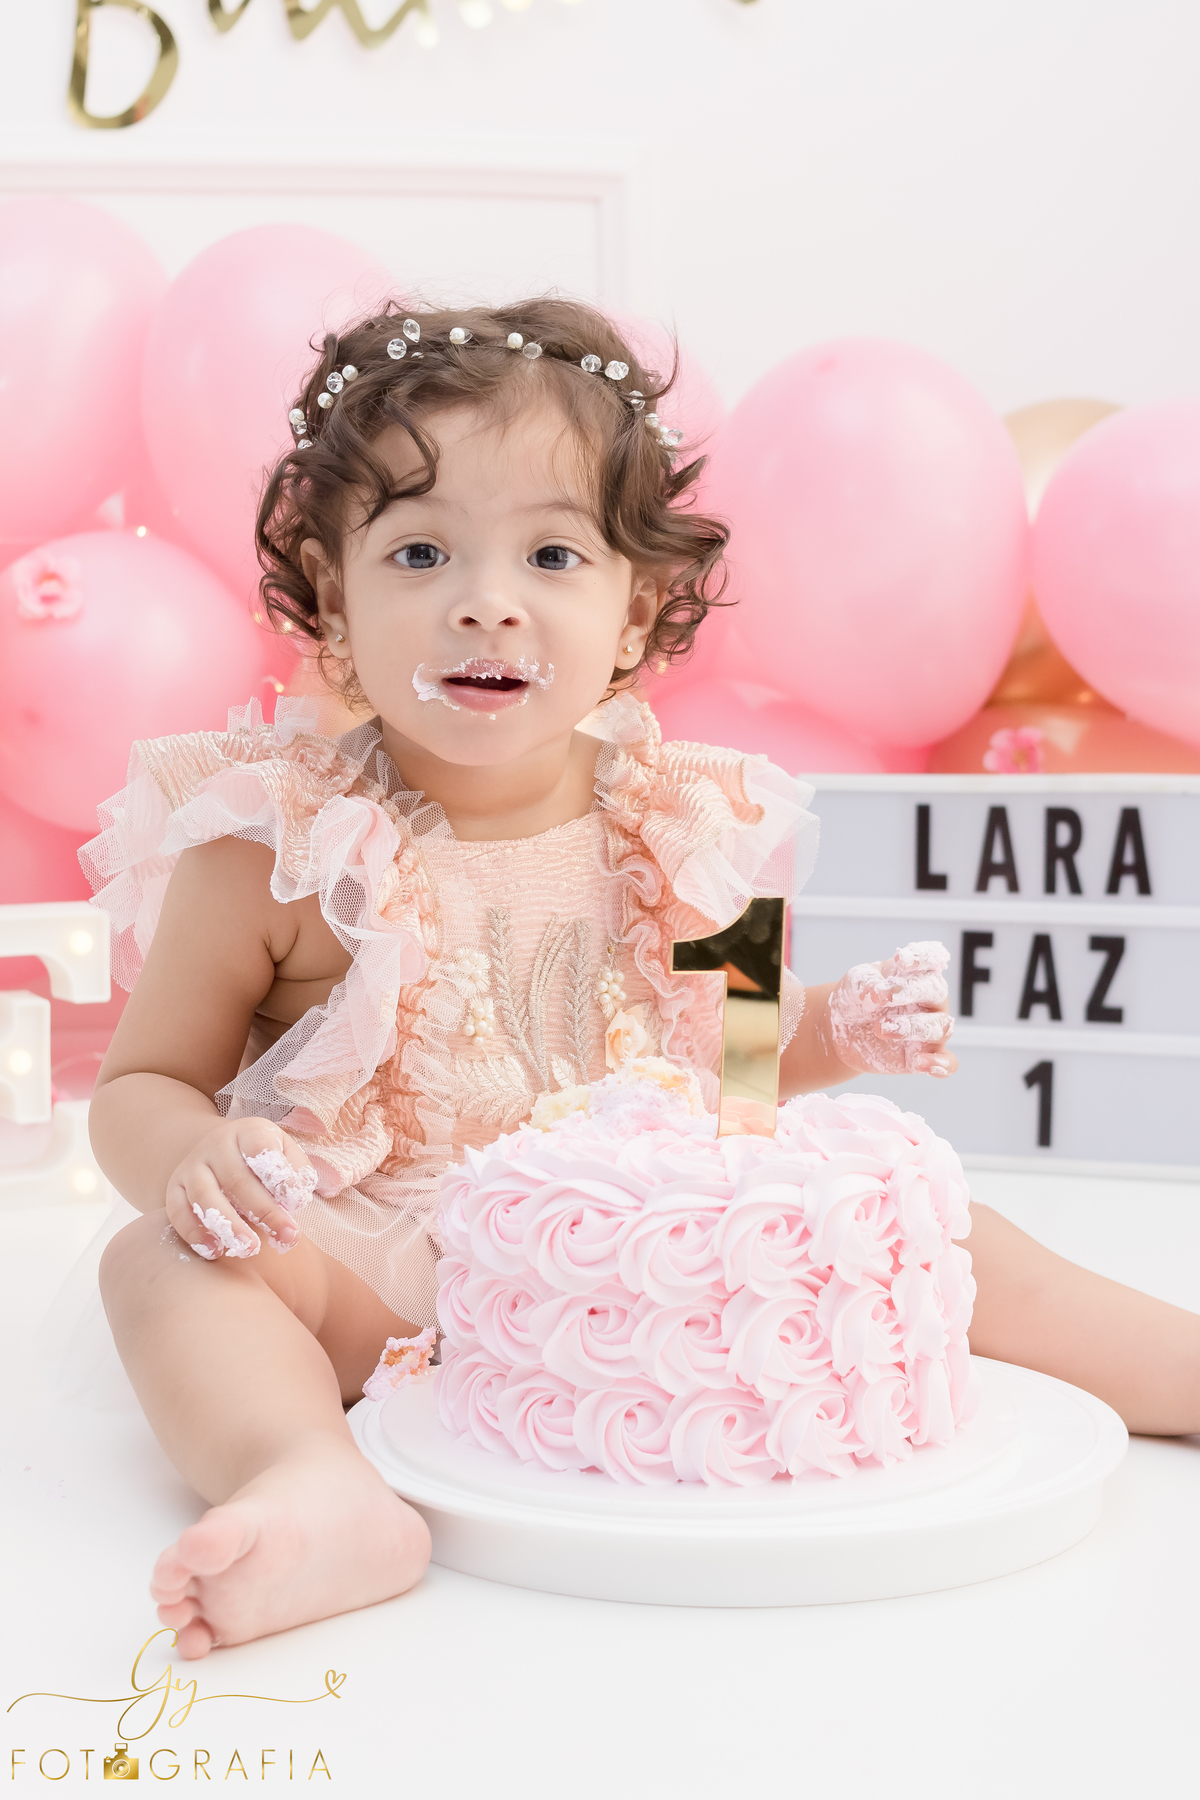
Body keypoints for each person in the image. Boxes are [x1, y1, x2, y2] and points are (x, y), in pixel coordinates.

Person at [86, 298, 1200, 1662]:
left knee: (939, 1227)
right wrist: (200, 1154)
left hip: (637, 1259)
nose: (486, 598)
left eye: (552, 553)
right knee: (160, 1266)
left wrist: (832, 1031)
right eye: (421, 551)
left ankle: (1180, 1365)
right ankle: (308, 1477)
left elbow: (731, 1076)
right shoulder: (279, 846)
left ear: (640, 616)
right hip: (380, 1266)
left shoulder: (677, 822)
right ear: (329, 599)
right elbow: (141, 1080)